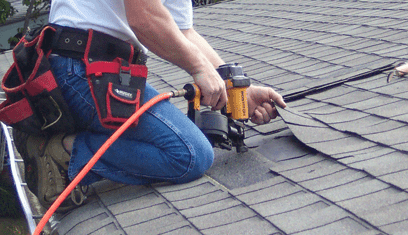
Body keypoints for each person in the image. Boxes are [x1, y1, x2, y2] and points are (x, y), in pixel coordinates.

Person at [14, 0, 286, 212]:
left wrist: (237, 87)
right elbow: (144, 17)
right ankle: (61, 152)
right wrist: (199, 68)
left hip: (105, 69)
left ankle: (74, 149)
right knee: (189, 154)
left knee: (188, 150)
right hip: (79, 69)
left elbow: (182, 31)